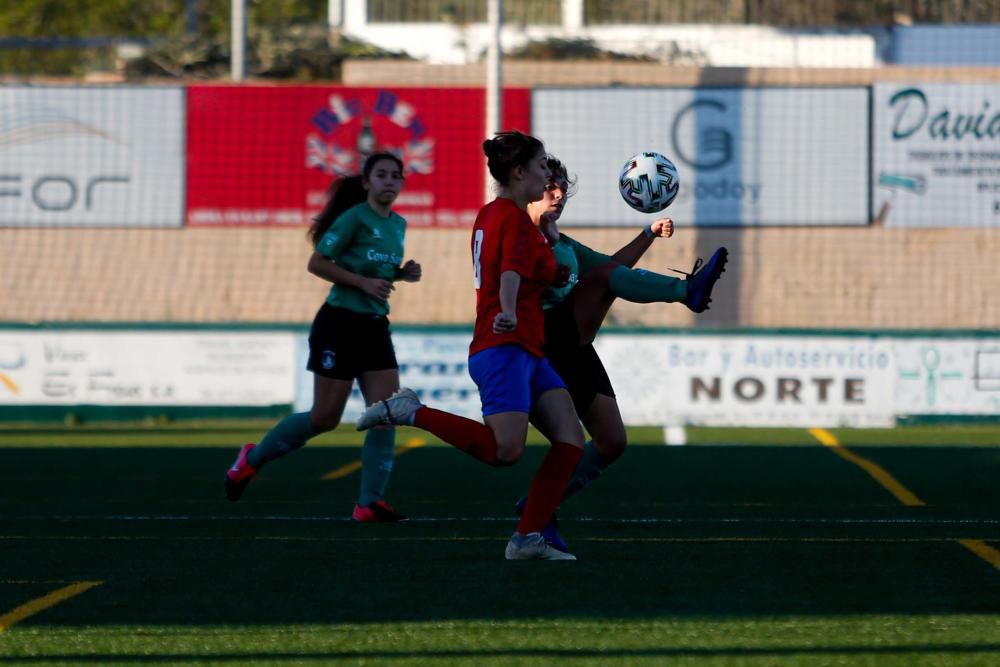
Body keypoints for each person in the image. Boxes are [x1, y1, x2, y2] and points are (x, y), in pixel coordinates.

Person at [355, 131, 585, 561]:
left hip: (526, 347)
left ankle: (527, 538)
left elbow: (530, 268)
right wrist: (511, 309)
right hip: (505, 343)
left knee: (571, 439)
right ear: (518, 173)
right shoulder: (514, 219)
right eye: (539, 168)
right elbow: (510, 274)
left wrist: (549, 242)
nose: (545, 176)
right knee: (505, 451)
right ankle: (412, 411)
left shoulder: (496, 214)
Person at [514, 156, 728, 552]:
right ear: (526, 187)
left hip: (573, 349)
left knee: (611, 442)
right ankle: (687, 292)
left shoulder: (562, 241)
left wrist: (646, 234)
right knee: (558, 444)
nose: (558, 193)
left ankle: (538, 507)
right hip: (536, 348)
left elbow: (610, 269)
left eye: (562, 186)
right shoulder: (516, 235)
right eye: (549, 186)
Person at [225, 152, 422, 523]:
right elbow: (317, 263)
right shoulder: (353, 218)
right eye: (382, 174)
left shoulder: (398, 224)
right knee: (324, 418)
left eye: (397, 175)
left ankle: (368, 503)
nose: (390, 181)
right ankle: (249, 461)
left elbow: (373, 269)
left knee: (387, 414)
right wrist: (365, 282)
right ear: (366, 182)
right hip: (340, 323)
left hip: (375, 326)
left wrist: (399, 274)